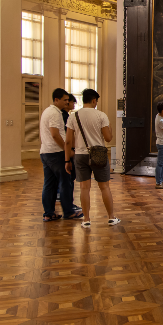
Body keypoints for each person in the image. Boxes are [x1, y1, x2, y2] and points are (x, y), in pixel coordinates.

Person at [65, 89, 119, 229]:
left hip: (80, 155)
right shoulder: (101, 115)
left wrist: (66, 160)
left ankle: (86, 219)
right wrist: (111, 129)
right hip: (98, 154)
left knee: (84, 188)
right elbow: (108, 138)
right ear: (94, 100)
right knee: (104, 187)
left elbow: (68, 141)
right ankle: (111, 217)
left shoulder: (73, 116)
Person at [40, 88, 82, 222]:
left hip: (46, 152)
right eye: (65, 100)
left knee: (50, 184)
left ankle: (49, 213)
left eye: (68, 100)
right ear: (56, 100)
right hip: (56, 153)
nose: (67, 102)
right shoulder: (55, 113)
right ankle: (68, 211)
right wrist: (67, 150)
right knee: (66, 182)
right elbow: (55, 134)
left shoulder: (48, 111)